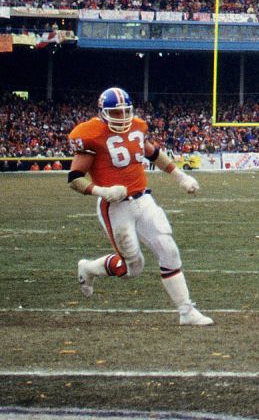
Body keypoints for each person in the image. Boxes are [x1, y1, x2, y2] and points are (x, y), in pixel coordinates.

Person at [69, 87, 212, 326]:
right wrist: (102, 191)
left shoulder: (137, 126)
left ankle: (186, 311)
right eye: (115, 113)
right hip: (114, 206)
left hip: (143, 200)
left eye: (126, 111)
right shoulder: (90, 134)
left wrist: (181, 177)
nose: (122, 117)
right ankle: (89, 268)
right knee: (132, 268)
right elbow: (74, 178)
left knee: (169, 249)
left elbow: (153, 154)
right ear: (103, 113)